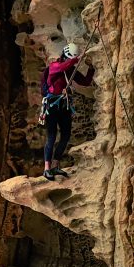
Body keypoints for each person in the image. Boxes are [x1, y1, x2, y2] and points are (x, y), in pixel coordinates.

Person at [39, 42, 94, 180]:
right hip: (52, 105)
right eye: (71, 59)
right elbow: (63, 66)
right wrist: (77, 58)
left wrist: (91, 67)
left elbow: (86, 82)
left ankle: (56, 166)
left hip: (64, 105)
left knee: (65, 136)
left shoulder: (70, 71)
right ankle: (46, 169)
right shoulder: (54, 67)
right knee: (51, 137)